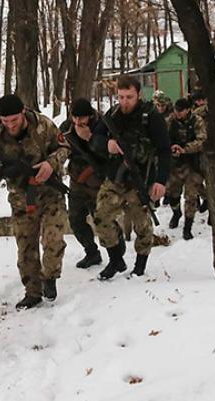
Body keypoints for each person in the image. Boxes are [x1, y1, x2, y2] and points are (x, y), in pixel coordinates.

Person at [0, 94, 70, 309]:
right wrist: (4, 170)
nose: (10, 125)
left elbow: (65, 148)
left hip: (51, 192)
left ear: (23, 112)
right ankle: (33, 292)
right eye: (5, 121)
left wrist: (51, 164)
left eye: (14, 120)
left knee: (53, 240)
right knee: (25, 248)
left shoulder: (43, 125)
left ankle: (49, 277)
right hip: (21, 197)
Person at [93, 75, 171, 279]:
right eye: (121, 96)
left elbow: (164, 150)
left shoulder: (151, 117)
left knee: (143, 226)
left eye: (129, 96)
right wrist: (106, 145)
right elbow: (95, 139)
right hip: (115, 178)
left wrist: (161, 181)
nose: (125, 101)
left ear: (139, 95)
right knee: (100, 218)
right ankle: (115, 259)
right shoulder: (112, 114)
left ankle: (140, 265)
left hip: (142, 179)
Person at [60, 98, 106, 268]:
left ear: (90, 115)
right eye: (75, 118)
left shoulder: (102, 125)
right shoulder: (67, 127)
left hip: (98, 180)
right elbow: (59, 148)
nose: (78, 122)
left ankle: (117, 252)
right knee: (75, 220)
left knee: (102, 220)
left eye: (82, 118)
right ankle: (91, 252)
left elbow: (108, 154)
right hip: (77, 180)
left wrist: (89, 139)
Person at [166, 98, 207, 239]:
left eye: (181, 111)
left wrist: (185, 149)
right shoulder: (171, 121)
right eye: (176, 110)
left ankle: (188, 226)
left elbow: (202, 141)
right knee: (173, 194)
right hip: (175, 165)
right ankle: (176, 213)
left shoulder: (197, 121)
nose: (178, 113)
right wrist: (171, 147)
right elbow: (163, 136)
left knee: (191, 197)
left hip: (192, 164)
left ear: (188, 109)